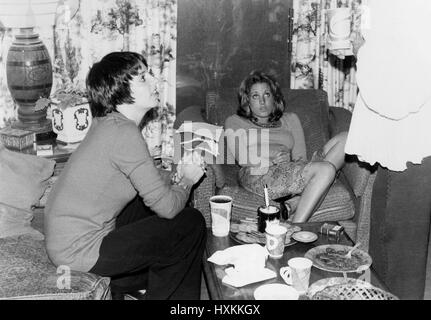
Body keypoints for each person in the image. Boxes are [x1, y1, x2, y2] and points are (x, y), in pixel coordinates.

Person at [44, 52, 207, 300]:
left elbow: (146, 184)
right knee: (189, 223)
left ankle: (127, 286)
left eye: (149, 73)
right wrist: (187, 180)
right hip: (79, 250)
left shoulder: (109, 124)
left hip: (68, 238)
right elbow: (168, 209)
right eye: (143, 78)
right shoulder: (125, 134)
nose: (155, 81)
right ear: (118, 91)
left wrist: (175, 180)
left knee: (148, 206)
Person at [334, 0, 431, 299]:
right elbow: (394, 57)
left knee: (400, 264)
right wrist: (360, 47)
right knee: (381, 251)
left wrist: (363, 50)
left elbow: (401, 96)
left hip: (410, 149)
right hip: (395, 149)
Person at [224, 70, 347, 223]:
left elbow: (300, 158)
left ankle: (295, 202)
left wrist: (290, 161)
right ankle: (296, 226)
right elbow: (242, 158)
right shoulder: (234, 121)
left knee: (346, 139)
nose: (262, 101)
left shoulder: (290, 119)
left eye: (267, 95)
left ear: (274, 97)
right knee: (327, 169)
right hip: (257, 173)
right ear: (247, 100)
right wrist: (270, 160)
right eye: (255, 96)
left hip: (288, 169)